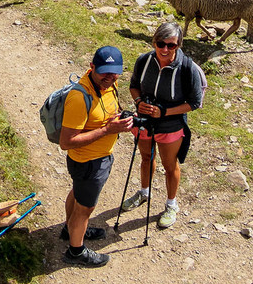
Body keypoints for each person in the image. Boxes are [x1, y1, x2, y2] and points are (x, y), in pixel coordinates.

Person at [121, 20, 205, 231]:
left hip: (170, 126)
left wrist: (165, 111)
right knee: (146, 158)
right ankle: (144, 192)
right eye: (161, 44)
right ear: (154, 42)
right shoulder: (144, 61)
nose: (165, 49)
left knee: (170, 166)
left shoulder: (187, 68)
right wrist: (139, 102)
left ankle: (171, 205)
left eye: (172, 45)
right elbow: (133, 86)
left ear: (179, 45)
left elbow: (194, 103)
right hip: (145, 121)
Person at [58, 44, 130, 268]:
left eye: (114, 72)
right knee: (86, 208)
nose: (110, 77)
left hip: (96, 159)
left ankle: (69, 229)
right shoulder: (79, 97)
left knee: (78, 193)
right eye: (104, 72)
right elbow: (66, 142)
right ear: (91, 68)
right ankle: (76, 251)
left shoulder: (110, 84)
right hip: (88, 162)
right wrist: (107, 131)